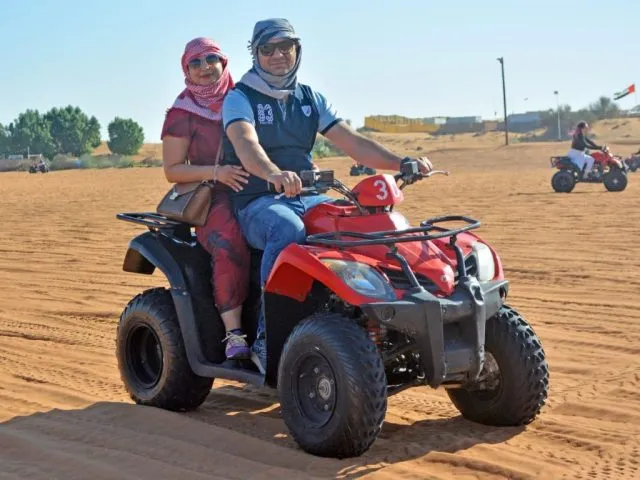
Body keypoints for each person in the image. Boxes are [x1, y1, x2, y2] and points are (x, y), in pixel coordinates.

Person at [221, 18, 434, 369]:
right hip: (258, 202)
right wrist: (273, 173)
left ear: (297, 50)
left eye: (285, 47)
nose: (278, 55)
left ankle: (376, 315)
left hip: (308, 195)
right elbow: (246, 143)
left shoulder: (310, 98)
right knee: (287, 229)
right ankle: (266, 338)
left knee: (358, 222)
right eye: (268, 48)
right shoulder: (240, 98)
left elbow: (354, 142)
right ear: (255, 54)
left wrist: (402, 162)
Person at [161, 37, 252, 360]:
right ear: (186, 70)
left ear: (223, 63)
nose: (205, 68)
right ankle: (234, 333)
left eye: (211, 59)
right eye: (195, 63)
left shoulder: (243, 99)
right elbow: (173, 170)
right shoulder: (182, 113)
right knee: (229, 240)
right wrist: (217, 173)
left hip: (256, 187)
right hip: (213, 195)